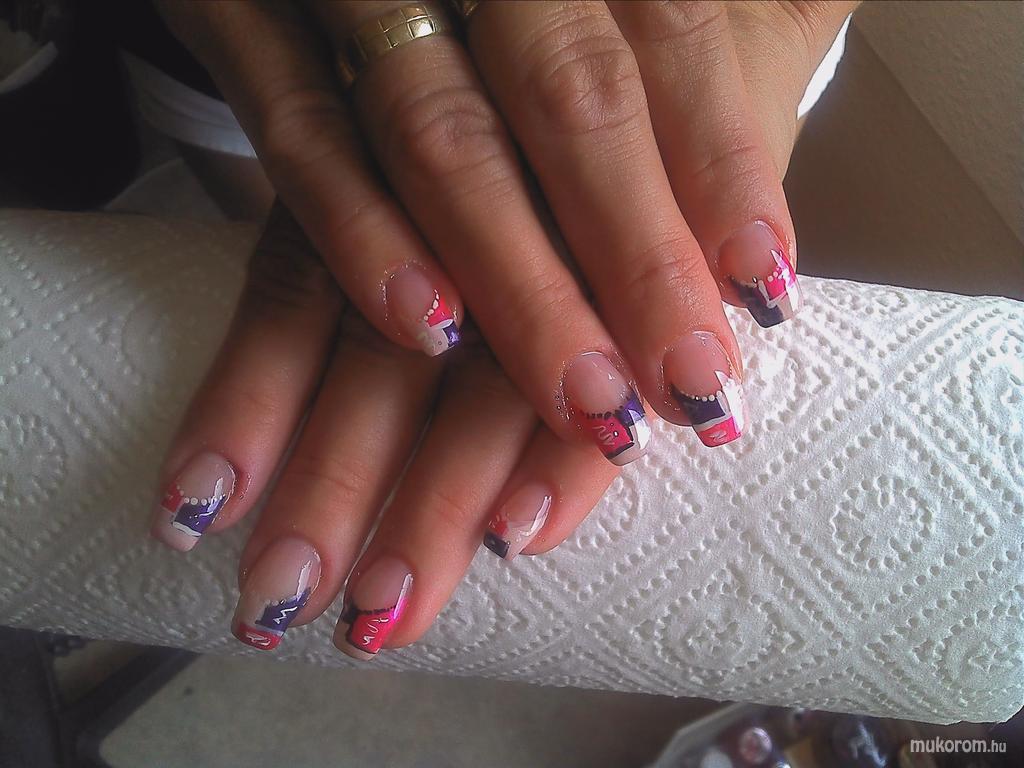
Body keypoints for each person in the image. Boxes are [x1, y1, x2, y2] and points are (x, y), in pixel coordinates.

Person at [144, 0, 858, 660]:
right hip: (268, 37)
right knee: (340, 234)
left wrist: (785, 17)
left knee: (389, 234)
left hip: (714, 26)